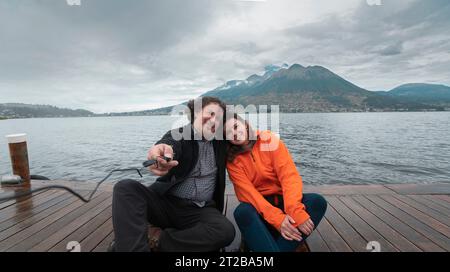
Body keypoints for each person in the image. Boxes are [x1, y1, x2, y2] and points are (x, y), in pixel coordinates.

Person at [110, 96, 235, 252]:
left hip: (200, 210)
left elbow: (243, 132)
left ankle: (156, 239)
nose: (213, 120)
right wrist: (162, 153)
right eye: (210, 113)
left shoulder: (221, 141)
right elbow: (169, 144)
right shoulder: (180, 134)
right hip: (166, 203)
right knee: (125, 187)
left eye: (219, 117)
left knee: (225, 232)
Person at [224, 113, 327, 252]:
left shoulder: (269, 140)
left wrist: (295, 211)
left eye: (236, 126)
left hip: (285, 203)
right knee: (242, 213)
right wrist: (277, 220)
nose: (235, 133)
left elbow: (289, 177)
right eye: (229, 133)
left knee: (317, 201)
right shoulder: (232, 161)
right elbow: (248, 194)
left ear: (245, 124)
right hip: (260, 209)